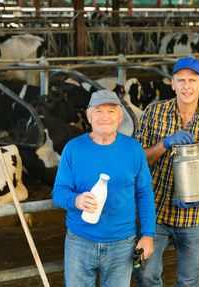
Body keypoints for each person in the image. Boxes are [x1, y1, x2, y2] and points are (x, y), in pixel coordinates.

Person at [134, 57, 199, 286]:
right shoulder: (153, 112)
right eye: (181, 80)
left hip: (193, 217)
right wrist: (165, 143)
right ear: (172, 83)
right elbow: (136, 160)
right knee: (142, 270)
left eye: (192, 80)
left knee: (189, 280)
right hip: (152, 214)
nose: (187, 86)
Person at [52, 89, 156, 287]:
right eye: (98, 111)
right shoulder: (73, 149)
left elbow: (144, 194)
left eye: (111, 111)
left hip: (122, 243)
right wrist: (76, 200)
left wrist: (148, 235)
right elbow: (58, 191)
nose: (105, 117)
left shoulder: (134, 149)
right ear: (89, 115)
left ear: (120, 116)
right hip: (79, 241)